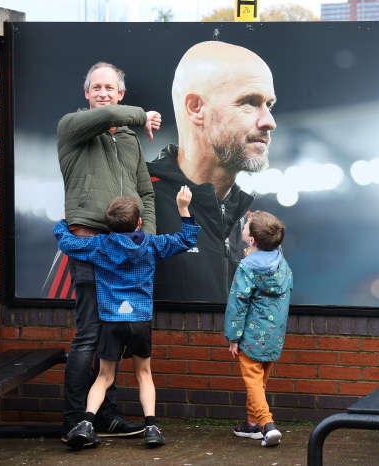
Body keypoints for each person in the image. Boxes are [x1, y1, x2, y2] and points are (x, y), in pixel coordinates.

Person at [57, 61, 162, 445]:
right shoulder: (72, 127)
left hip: (128, 252)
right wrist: (141, 116)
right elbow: (111, 116)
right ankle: (73, 422)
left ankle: (106, 417)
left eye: (110, 87)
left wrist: (144, 241)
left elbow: (145, 194)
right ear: (87, 94)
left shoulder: (130, 141)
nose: (103, 92)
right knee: (88, 335)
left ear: (120, 92)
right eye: (96, 87)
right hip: (89, 245)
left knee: (111, 339)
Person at [53, 188, 201, 449]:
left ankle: (86, 423)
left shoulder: (100, 244)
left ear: (107, 226)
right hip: (140, 320)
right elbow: (186, 240)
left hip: (111, 321)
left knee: (103, 377)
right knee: (144, 374)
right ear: (140, 223)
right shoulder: (152, 244)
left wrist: (63, 223)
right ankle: (151, 428)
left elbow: (67, 243)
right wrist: (183, 209)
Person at [147, 41, 277, 303]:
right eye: (250, 102)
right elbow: (69, 318)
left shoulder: (250, 225)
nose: (269, 122)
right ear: (196, 108)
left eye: (269, 105)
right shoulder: (134, 201)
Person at [224, 211, 293, 447]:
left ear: (251, 239)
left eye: (247, 227)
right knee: (260, 381)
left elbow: (237, 304)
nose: (243, 228)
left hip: (251, 336)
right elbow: (269, 246)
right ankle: (253, 424)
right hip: (275, 335)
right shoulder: (281, 263)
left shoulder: (246, 267)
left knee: (253, 382)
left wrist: (233, 337)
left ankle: (267, 424)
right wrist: (260, 221)